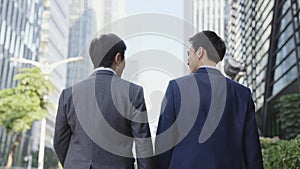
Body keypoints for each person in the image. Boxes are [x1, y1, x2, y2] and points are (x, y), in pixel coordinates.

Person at [155, 31, 263, 169]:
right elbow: (251, 148)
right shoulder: (242, 93)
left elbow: (164, 142)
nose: (188, 60)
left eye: (189, 54)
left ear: (200, 52)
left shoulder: (176, 88)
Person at [54, 33, 154, 169]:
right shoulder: (133, 92)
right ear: (118, 58)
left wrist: (74, 163)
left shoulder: (68, 94)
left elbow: (60, 142)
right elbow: (143, 145)